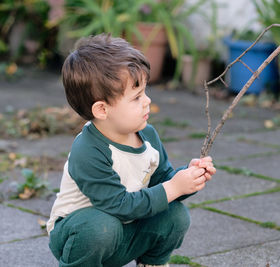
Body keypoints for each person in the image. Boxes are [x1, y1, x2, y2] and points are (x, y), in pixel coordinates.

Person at [46, 33, 216, 267]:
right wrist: (173, 187)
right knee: (102, 226)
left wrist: (188, 178)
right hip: (81, 236)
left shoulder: (146, 135)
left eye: (144, 92)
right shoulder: (88, 150)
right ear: (102, 110)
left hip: (125, 230)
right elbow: (118, 206)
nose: (147, 101)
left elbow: (162, 183)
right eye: (136, 97)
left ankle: (151, 262)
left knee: (175, 215)